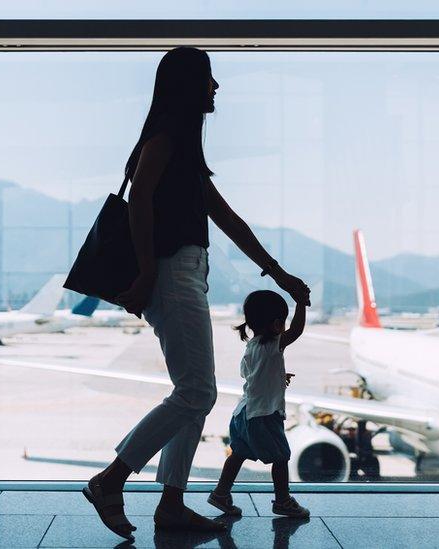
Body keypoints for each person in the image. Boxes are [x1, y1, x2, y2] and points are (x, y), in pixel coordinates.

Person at [82, 47, 311, 541]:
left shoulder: (181, 147)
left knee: (195, 393)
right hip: (170, 272)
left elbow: (228, 220)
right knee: (197, 392)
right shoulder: (164, 139)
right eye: (209, 78)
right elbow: (139, 198)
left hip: (184, 272)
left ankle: (170, 506)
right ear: (189, 86)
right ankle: (110, 481)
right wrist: (145, 273)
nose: (217, 87)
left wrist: (278, 274)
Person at [206, 290, 310, 519]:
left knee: (238, 454)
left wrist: (277, 374)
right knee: (281, 458)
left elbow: (250, 374)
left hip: (243, 413)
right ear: (276, 324)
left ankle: (221, 493)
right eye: (283, 321)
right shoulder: (274, 344)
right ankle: (282, 501)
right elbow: (297, 331)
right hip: (264, 414)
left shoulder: (252, 346)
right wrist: (301, 303)